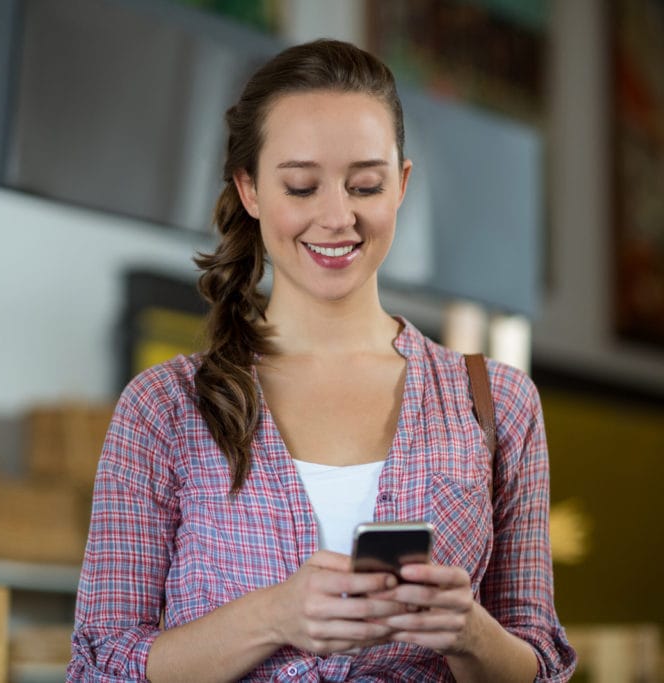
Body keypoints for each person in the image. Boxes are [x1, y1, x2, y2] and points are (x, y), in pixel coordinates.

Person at [68, 39, 577, 682]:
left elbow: (540, 665)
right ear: (250, 189)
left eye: (366, 185)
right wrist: (274, 617)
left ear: (402, 185)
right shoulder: (162, 408)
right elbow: (99, 666)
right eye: (302, 186)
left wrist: (470, 633)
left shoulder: (496, 403)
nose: (338, 217)